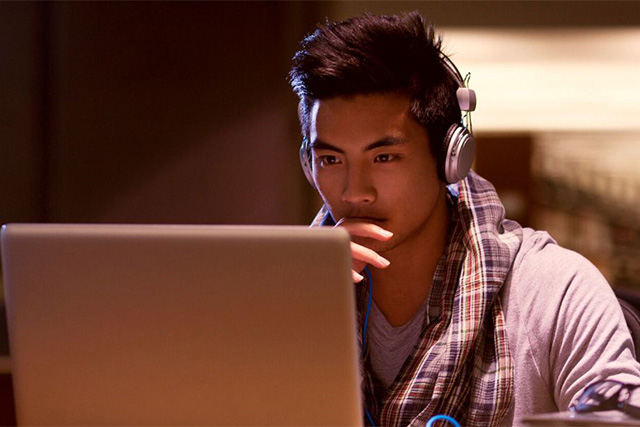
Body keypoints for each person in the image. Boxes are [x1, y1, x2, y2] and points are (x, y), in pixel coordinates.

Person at [288, 11, 640, 427]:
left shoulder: (552, 288)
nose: (353, 192)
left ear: (449, 159)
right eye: (330, 159)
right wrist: (298, 308)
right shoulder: (290, 293)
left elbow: (619, 409)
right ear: (308, 166)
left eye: (384, 157)